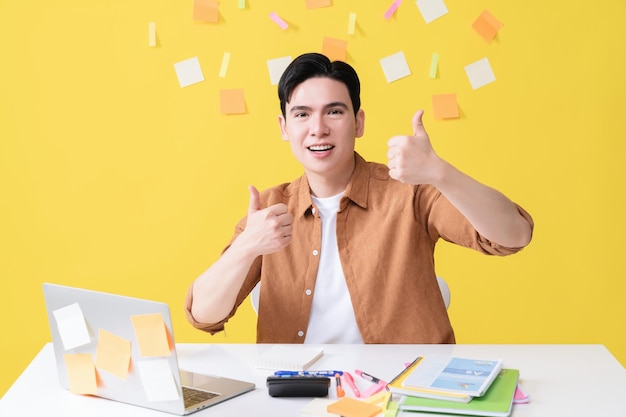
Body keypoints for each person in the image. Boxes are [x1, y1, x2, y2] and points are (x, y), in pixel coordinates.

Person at [185, 52, 533, 344]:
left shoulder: (409, 190)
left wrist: (440, 173)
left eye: (334, 112)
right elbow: (203, 315)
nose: (318, 128)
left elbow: (513, 235)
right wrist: (247, 247)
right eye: (302, 114)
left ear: (359, 122)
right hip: (299, 394)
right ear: (284, 127)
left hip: (400, 390)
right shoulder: (270, 207)